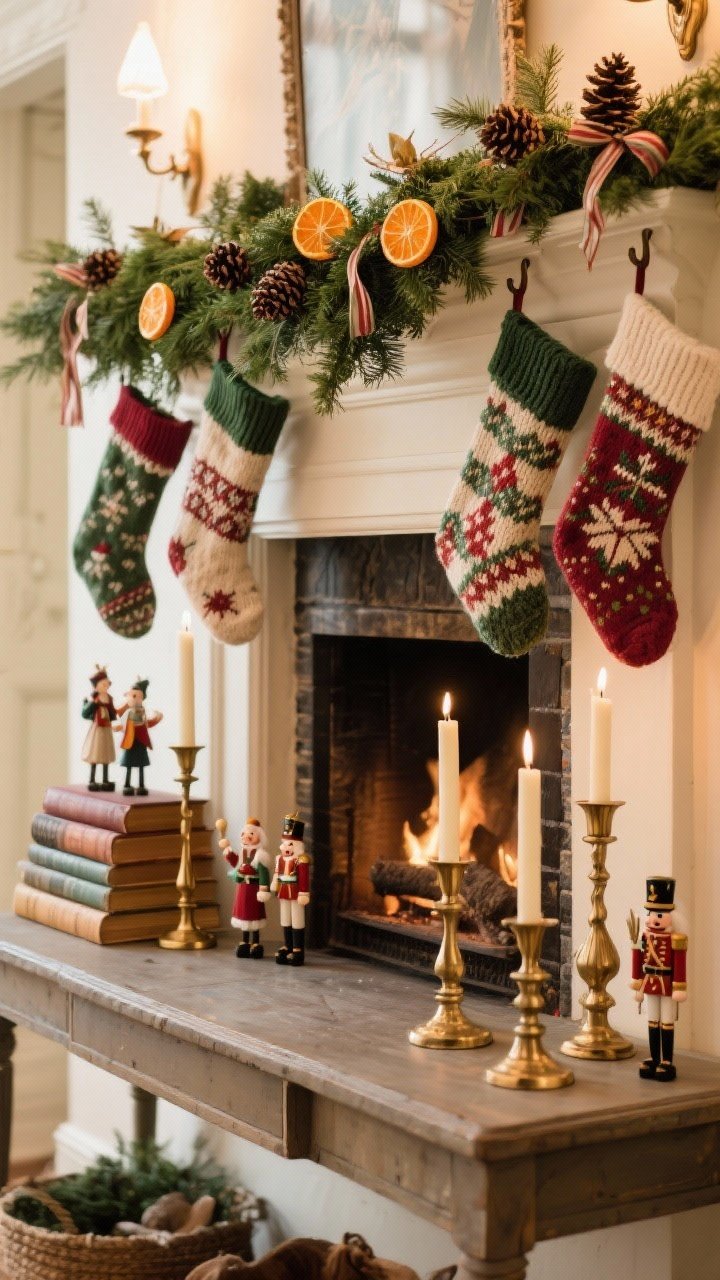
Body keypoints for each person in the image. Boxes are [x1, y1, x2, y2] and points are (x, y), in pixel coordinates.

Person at [630, 875, 687, 1081]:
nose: (653, 919)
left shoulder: (676, 939)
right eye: (651, 913)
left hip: (668, 985)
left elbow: (680, 962)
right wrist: (637, 983)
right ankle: (654, 1058)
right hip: (650, 983)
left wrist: (680, 985)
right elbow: (638, 959)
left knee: (667, 1022)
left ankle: (667, 1061)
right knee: (652, 1020)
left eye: (660, 915)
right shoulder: (644, 937)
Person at [217, 817, 273, 959]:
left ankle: (255, 942)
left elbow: (263, 873)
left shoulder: (260, 855)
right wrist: (227, 850)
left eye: (251, 834)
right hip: (242, 889)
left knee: (254, 916)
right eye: (244, 834)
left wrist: (264, 889)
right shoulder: (242, 853)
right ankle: (244, 942)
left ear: (259, 836)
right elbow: (235, 862)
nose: (246, 836)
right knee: (244, 916)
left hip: (254, 890)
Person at [270, 813, 310, 966]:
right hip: (283, 892)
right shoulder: (279, 859)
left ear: (297, 845)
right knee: (285, 919)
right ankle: (288, 946)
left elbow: (304, 878)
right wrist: (274, 884)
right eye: (285, 843)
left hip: (295, 893)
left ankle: (298, 950)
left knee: (297, 920)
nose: (286, 847)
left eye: (291, 844)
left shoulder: (301, 860)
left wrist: (304, 893)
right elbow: (276, 873)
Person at [114, 678, 163, 796]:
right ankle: (127, 784)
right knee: (129, 764)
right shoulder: (128, 712)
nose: (135, 699)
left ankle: (141, 785)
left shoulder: (142, 712)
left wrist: (156, 719)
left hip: (141, 740)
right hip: (130, 740)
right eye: (133, 696)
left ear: (142, 698)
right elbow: (123, 722)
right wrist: (119, 728)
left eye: (138, 696)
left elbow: (147, 724)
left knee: (141, 764)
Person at [80, 665, 117, 790]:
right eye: (103, 684)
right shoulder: (94, 699)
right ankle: (92, 779)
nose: (105, 687)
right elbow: (85, 713)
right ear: (96, 686)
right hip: (97, 729)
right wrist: (90, 704)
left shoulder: (109, 699)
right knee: (96, 752)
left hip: (106, 728)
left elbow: (113, 712)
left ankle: (105, 779)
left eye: (106, 685)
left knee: (105, 752)